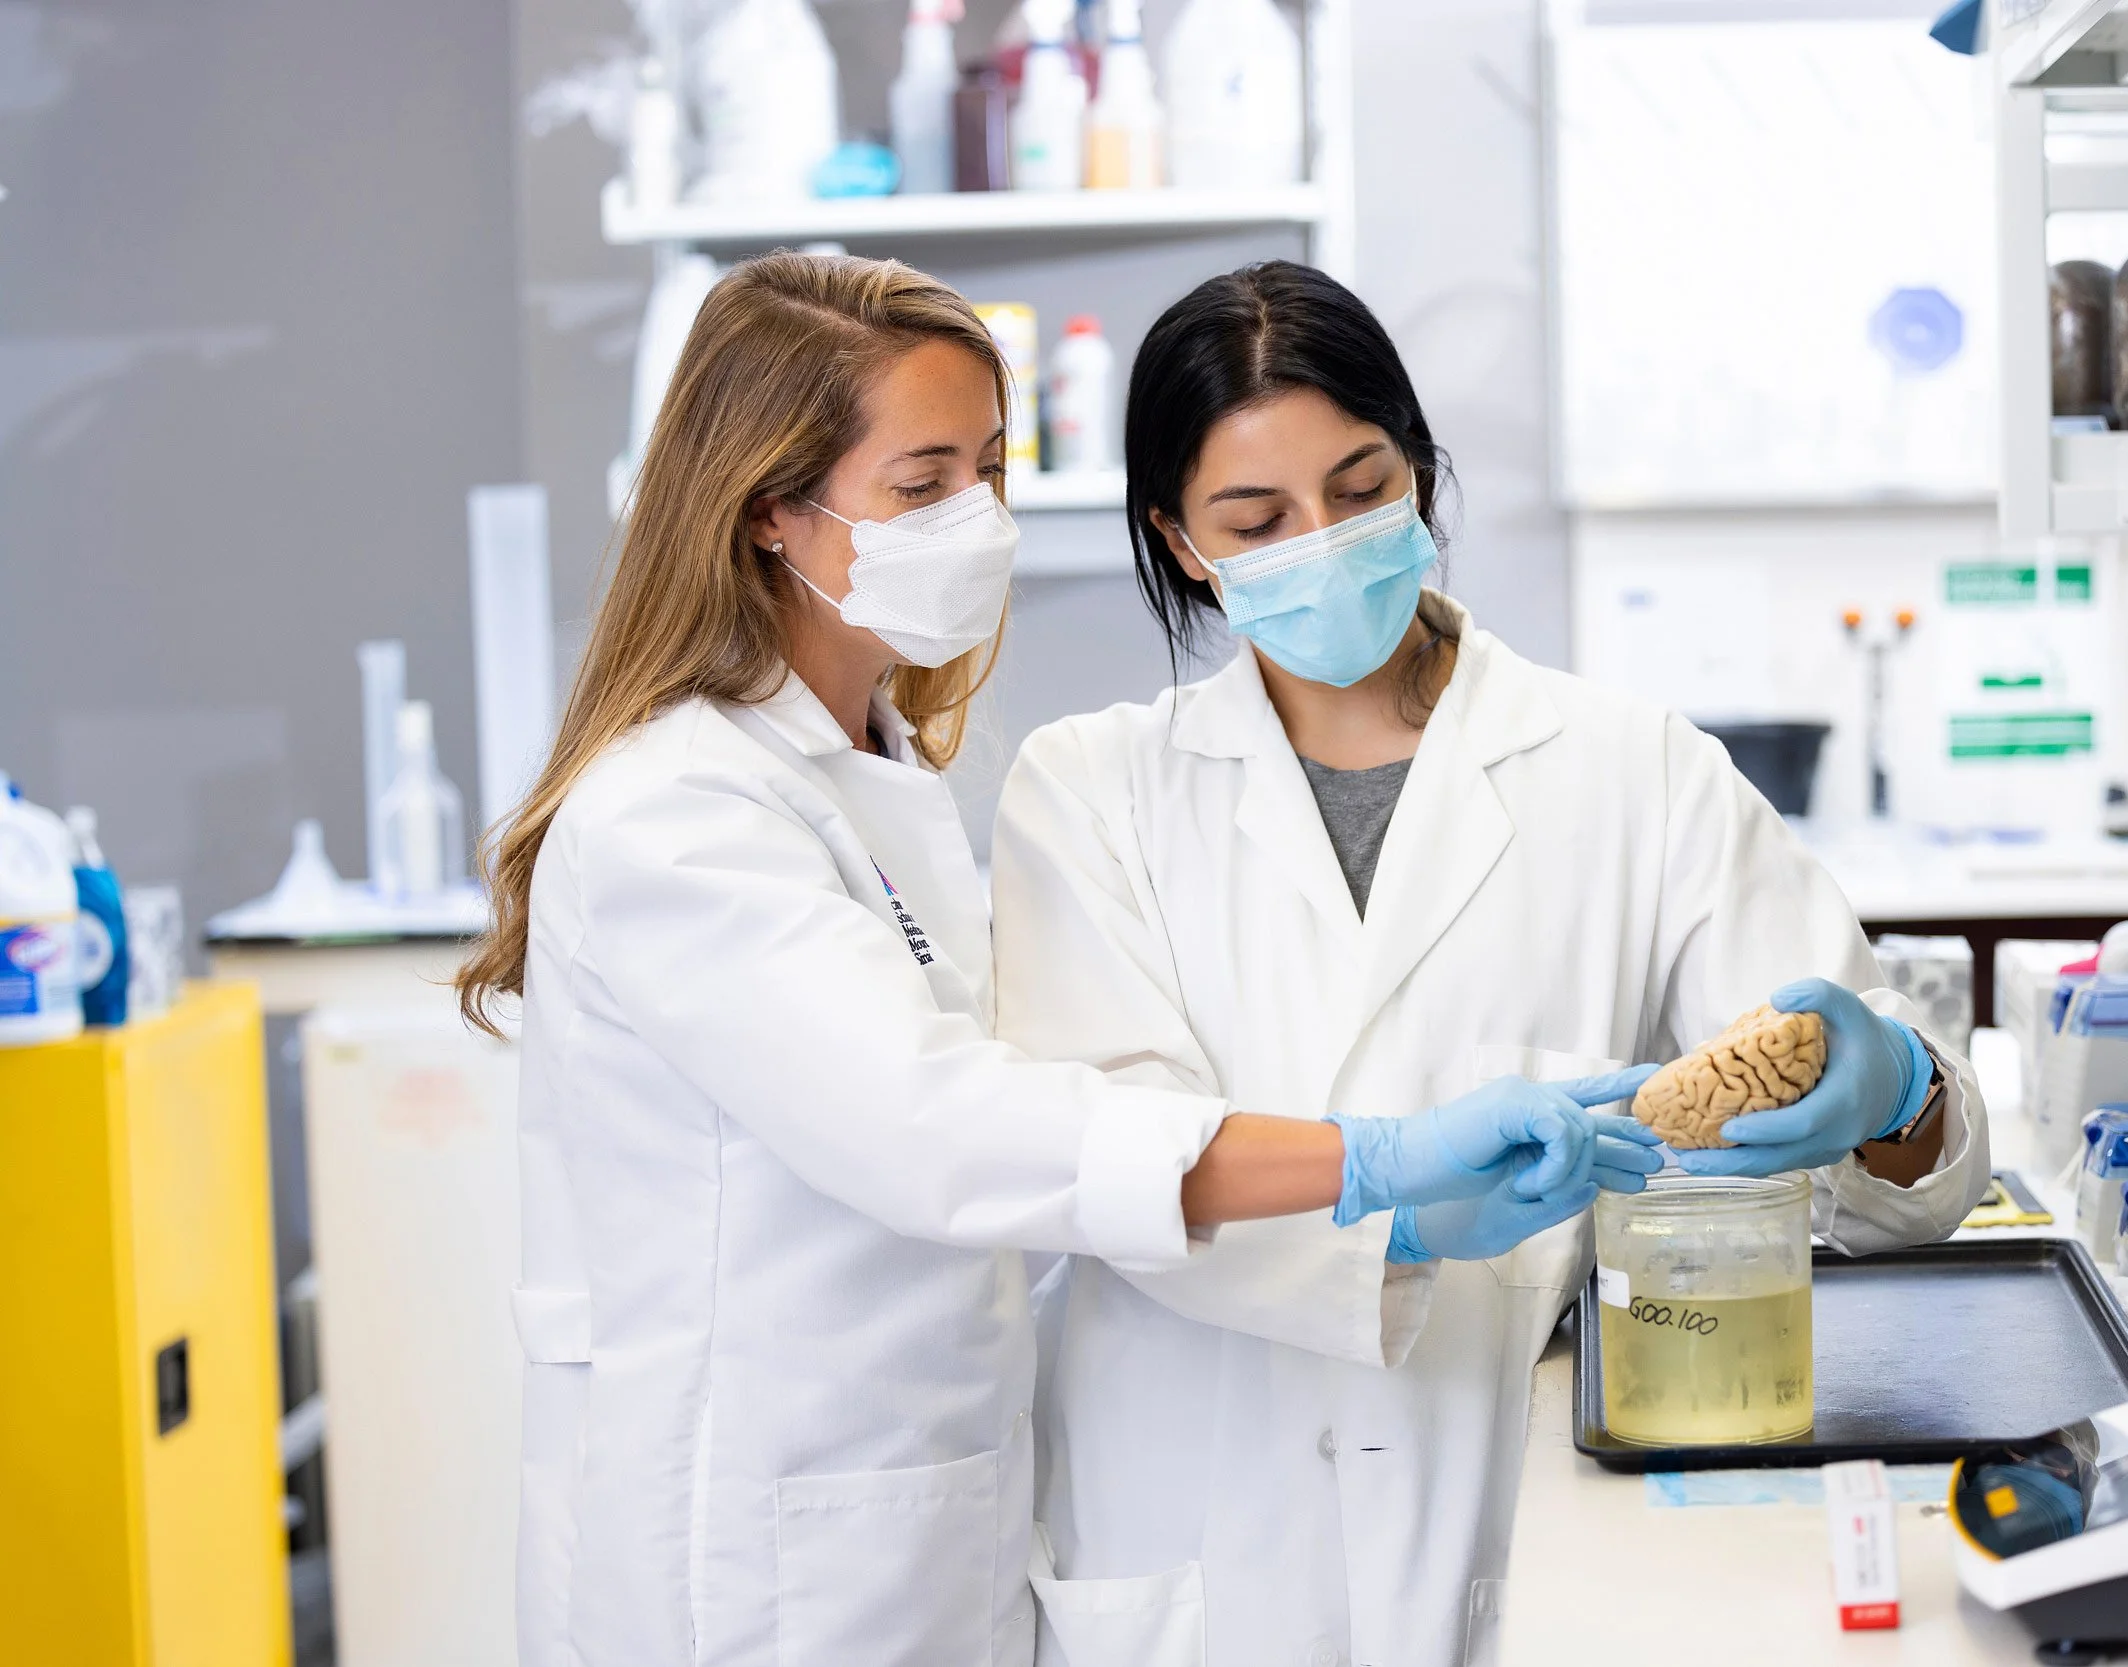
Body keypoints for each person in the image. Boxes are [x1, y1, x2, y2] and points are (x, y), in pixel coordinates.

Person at [451, 252, 1665, 1667]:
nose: (973, 518)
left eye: (990, 467)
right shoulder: (678, 811)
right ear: (775, 511)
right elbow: (943, 1127)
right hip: (756, 1557)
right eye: (922, 485)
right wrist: (1374, 1162)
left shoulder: (880, 774)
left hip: (930, 1521)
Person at [988, 261, 1994, 1667]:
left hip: (1515, 1508)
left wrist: (1894, 1092)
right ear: (1181, 536)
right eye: (1257, 518)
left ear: (1419, 470)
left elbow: (1900, 1188)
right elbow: (1112, 1163)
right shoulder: (1089, 791)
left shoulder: (1634, 770)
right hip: (1199, 1533)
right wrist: (1386, 1197)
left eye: (1359, 485)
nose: (1325, 540)